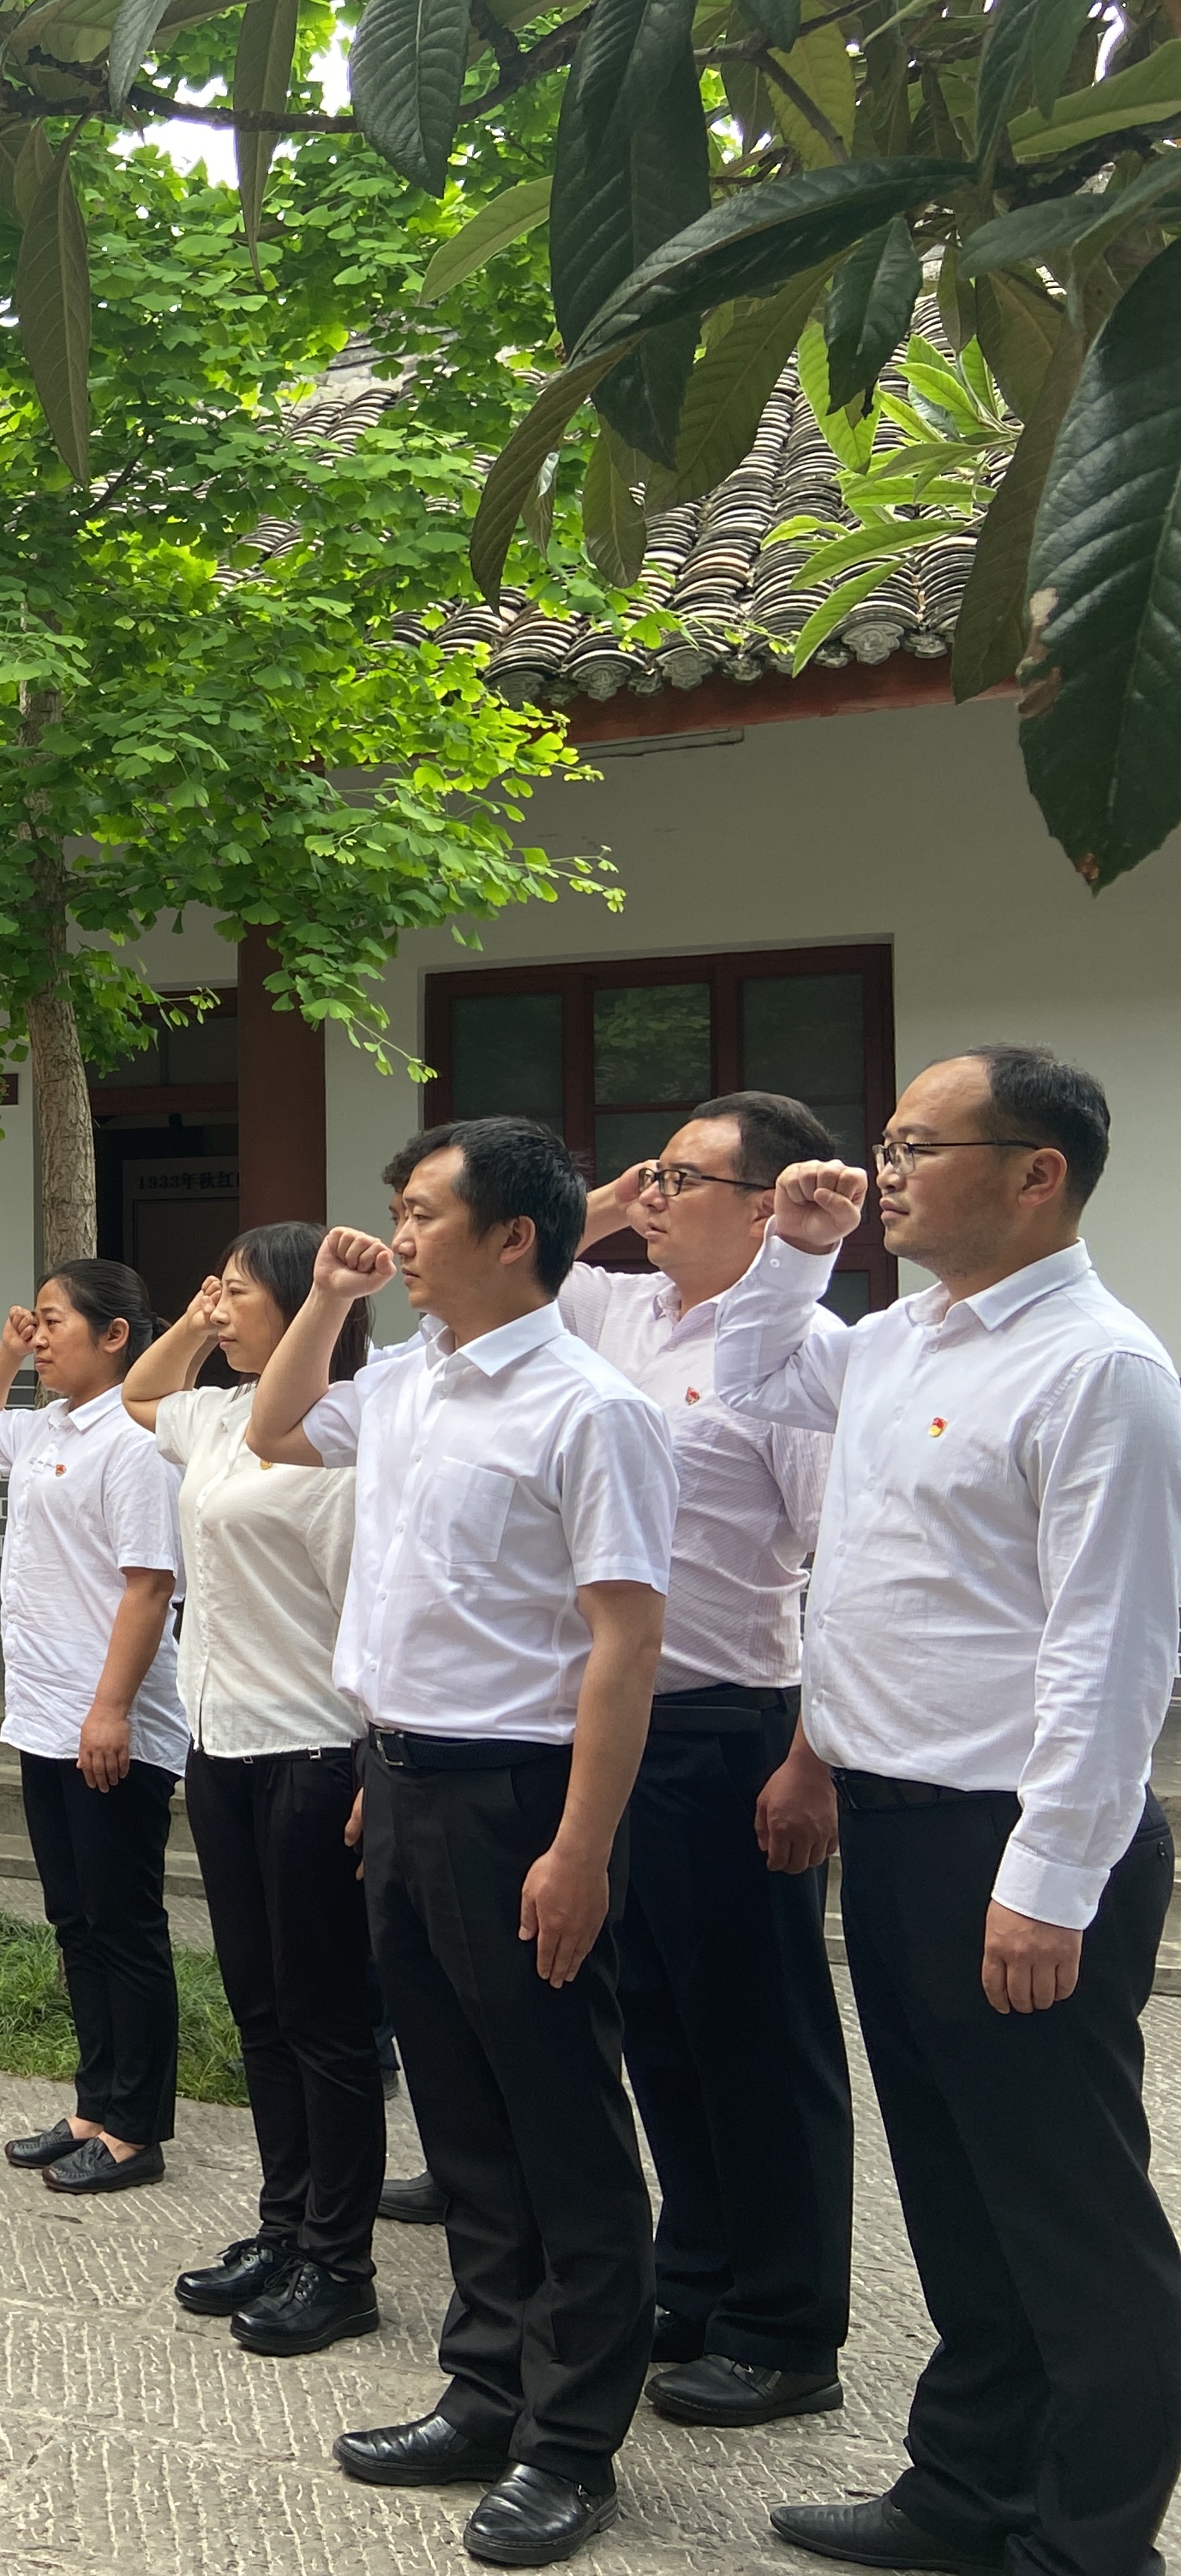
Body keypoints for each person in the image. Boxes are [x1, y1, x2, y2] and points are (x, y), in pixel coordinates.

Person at [716, 1049, 1181, 2576]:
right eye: (887, 1142)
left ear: (1038, 1172)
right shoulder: (900, 1339)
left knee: (1067, 2211)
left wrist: (1050, 1878)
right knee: (957, 2193)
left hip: (1012, 1838)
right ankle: (964, 2489)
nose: (887, 1169)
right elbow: (754, 1374)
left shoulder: (1100, 1369)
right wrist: (795, 1249)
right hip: (901, 1827)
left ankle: (1090, 2539)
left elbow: (1113, 1649)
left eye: (923, 1145)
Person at [249, 1118, 676, 2569]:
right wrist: (327, 1298)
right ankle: (484, 2387)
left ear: (515, 1235)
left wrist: (581, 1847)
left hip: (522, 1799)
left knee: (562, 2122)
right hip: (403, 1778)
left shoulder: (591, 1408)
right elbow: (272, 1426)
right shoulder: (409, 1380)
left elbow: (625, 1643)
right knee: (463, 2115)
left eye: (423, 1213)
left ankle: (572, 2441)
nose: (399, 1235)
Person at [566, 1096, 858, 2431]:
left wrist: (813, 1759)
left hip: (738, 1726)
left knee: (758, 2036)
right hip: (621, 1730)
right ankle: (693, 2278)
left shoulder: (808, 1360)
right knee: (660, 2027)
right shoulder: (617, 1314)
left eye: (686, 1179)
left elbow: (839, 1569)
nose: (657, 1198)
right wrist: (607, 1198)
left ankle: (786, 2326)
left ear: (765, 1208)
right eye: (655, 1174)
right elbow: (515, 1268)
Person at [118, 1224, 382, 2349]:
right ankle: (283, 2227)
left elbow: (372, 1611)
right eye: (212, 1291)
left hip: (315, 1750)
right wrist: (194, 1318)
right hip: (221, 1746)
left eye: (236, 1294)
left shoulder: (345, 1436)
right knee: (261, 2008)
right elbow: (140, 1393)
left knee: (327, 2019)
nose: (218, 1309)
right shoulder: (217, 1417)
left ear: (300, 1303)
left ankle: (340, 2261)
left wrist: (376, 1759)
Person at [0, 1261, 189, 2192]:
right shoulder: (48, 1425)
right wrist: (9, 1349)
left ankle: (137, 2128)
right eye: (36, 1322)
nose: (40, 1336)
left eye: (54, 1323)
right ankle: (94, 2105)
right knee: (76, 1920)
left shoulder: (134, 1439)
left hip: (109, 1719)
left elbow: (150, 1584)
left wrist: (111, 1708)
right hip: (46, 1714)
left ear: (115, 1335)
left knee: (125, 1924)